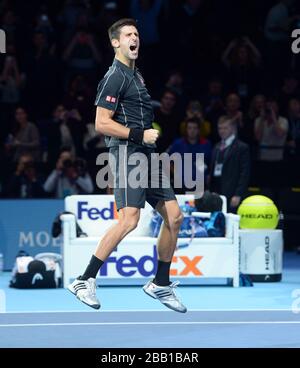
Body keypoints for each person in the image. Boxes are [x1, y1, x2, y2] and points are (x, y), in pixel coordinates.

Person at [68, 18, 187, 313]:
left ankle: (159, 283)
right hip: (127, 154)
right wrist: (139, 134)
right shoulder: (115, 77)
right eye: (128, 35)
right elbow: (101, 123)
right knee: (129, 220)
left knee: (174, 217)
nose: (135, 38)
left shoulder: (136, 75)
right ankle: (84, 279)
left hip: (147, 155)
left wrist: (145, 139)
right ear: (115, 42)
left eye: (137, 34)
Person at [209, 117, 250, 213]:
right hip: (216, 190)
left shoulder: (241, 147)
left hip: (232, 192)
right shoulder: (216, 146)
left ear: (232, 128)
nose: (222, 131)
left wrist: (238, 194)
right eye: (220, 128)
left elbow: (244, 173)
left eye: (225, 128)